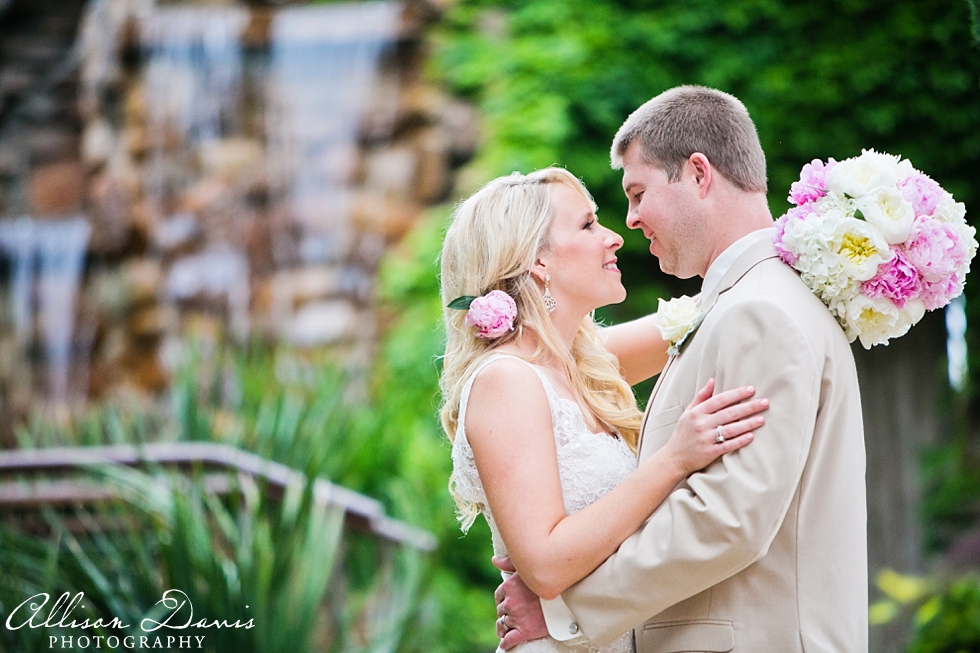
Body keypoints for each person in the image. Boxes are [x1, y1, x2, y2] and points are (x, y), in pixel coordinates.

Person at [493, 86, 867, 653]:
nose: (631, 220)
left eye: (638, 193)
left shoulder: (758, 313)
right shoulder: (743, 304)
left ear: (698, 173)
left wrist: (569, 613)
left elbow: (727, 519)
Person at [440, 166, 771, 653]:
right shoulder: (505, 380)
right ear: (537, 262)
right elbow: (547, 564)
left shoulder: (583, 364)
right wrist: (674, 459)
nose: (614, 237)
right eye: (588, 225)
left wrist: (834, 238)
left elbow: (712, 308)